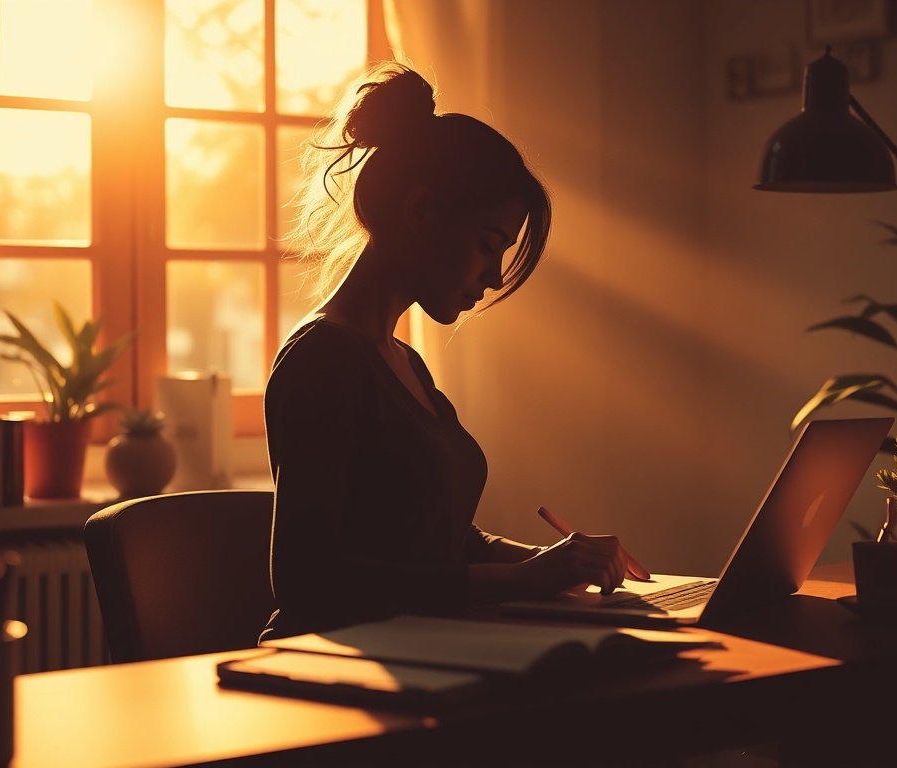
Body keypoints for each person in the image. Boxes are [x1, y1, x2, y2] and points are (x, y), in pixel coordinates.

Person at [261, 62, 639, 641]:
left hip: (424, 650)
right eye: (488, 245)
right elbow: (308, 583)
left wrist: (553, 562)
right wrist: (523, 580)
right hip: (336, 666)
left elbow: (436, 542)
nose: (494, 277)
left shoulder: (402, 361)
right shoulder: (324, 361)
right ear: (419, 212)